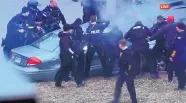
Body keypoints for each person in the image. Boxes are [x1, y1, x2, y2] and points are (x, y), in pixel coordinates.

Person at [148, 16, 177, 82]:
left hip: (163, 43)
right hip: (167, 44)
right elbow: (152, 31)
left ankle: (156, 73)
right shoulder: (173, 25)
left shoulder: (165, 26)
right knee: (171, 57)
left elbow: (157, 34)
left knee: (168, 57)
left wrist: (150, 38)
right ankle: (173, 74)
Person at [169, 22, 186, 90]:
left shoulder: (180, 37)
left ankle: (181, 86)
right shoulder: (179, 35)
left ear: (179, 28)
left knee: (180, 72)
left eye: (177, 27)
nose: (176, 28)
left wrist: (172, 56)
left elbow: (176, 49)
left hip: (180, 57)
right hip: (182, 56)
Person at [70, 18, 86, 85]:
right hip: (78, 48)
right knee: (80, 64)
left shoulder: (70, 28)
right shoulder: (79, 29)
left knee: (75, 65)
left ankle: (75, 77)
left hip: (72, 49)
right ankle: (79, 80)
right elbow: (81, 38)